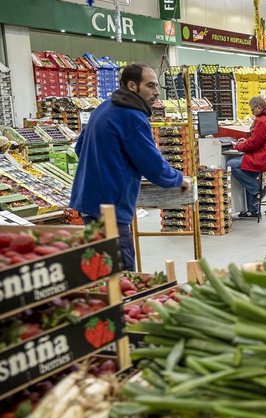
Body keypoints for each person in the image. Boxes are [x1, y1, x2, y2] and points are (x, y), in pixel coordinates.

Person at [69, 63, 190, 271]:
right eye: (150, 86)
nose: (156, 92)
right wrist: (178, 178)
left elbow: (80, 148)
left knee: (102, 268)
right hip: (109, 207)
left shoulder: (104, 107)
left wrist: (109, 166)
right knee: (122, 272)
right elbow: (152, 164)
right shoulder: (132, 116)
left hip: (87, 201)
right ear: (132, 86)